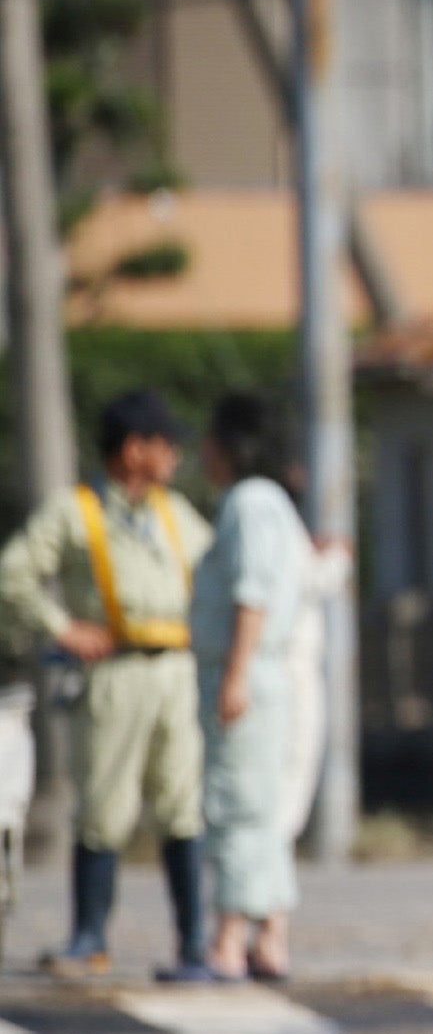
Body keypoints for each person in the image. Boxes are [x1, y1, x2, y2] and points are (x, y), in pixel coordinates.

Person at [0, 390, 216, 980]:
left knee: (182, 805)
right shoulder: (77, 511)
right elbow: (15, 571)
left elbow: (217, 565)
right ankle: (89, 934)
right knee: (104, 805)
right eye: (162, 443)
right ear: (132, 449)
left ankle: (194, 939)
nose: (173, 455)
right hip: (115, 669)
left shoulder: (173, 514)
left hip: (175, 666)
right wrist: (61, 627)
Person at [190, 393, 314, 981]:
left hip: (248, 668)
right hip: (263, 671)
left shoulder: (248, 503)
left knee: (237, 805)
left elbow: (252, 595)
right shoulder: (275, 505)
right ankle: (270, 937)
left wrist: (234, 676)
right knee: (262, 809)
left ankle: (229, 940)